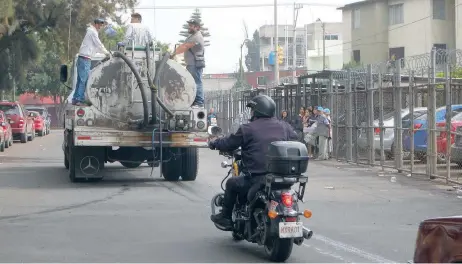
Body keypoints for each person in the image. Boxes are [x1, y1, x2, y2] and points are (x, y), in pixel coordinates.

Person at [208, 95, 298, 230]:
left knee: (231, 183)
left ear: (257, 111)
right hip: (282, 178)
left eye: (252, 110)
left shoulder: (248, 128)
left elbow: (228, 143)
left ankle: (225, 217)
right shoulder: (284, 126)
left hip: (257, 178)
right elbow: (295, 139)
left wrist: (214, 143)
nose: (251, 112)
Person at [70, 18, 110, 106]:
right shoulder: (92, 32)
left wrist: (103, 52)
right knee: (84, 80)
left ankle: (75, 99)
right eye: (99, 24)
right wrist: (107, 53)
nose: (100, 26)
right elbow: (98, 44)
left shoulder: (91, 32)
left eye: (101, 25)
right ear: (95, 24)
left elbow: (95, 48)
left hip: (83, 58)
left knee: (80, 80)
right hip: (85, 58)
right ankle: (79, 99)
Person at [171, 19, 205, 108]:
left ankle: (199, 102)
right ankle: (195, 101)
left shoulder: (197, 37)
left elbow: (185, 46)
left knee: (197, 82)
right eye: (189, 25)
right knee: (192, 82)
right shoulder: (191, 36)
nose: (189, 27)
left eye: (191, 25)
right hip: (191, 64)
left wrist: (172, 54)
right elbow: (184, 45)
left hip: (195, 64)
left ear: (197, 27)